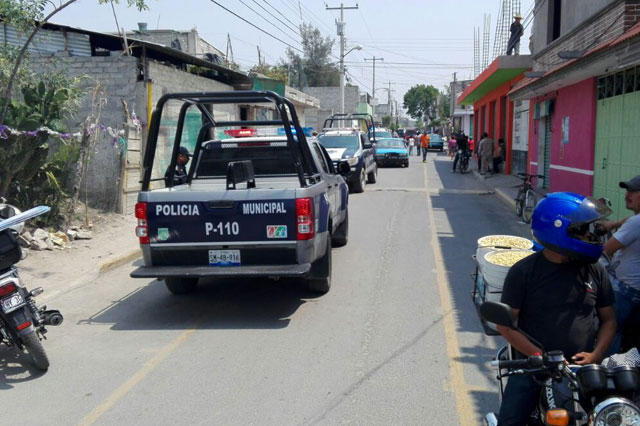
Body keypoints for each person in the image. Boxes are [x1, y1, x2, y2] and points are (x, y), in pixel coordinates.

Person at [497, 192, 616, 426]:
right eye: (582, 230)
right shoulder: (523, 272)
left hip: (582, 371)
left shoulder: (594, 270)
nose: (589, 235)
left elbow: (609, 320)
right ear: (558, 229)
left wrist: (597, 355)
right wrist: (540, 358)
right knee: (510, 421)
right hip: (532, 371)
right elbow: (505, 324)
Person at [601, 175, 640, 354]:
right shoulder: (633, 221)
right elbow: (626, 223)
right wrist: (613, 224)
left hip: (625, 291)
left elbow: (604, 250)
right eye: (627, 190)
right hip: (636, 289)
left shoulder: (636, 223)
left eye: (633, 191)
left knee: (610, 329)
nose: (627, 194)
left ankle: (606, 370)